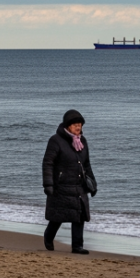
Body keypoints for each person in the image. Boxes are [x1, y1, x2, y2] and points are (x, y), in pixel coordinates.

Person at [42, 109, 96, 254]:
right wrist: (48, 184)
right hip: (61, 186)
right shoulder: (55, 140)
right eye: (75, 124)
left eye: (80, 124)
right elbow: (48, 163)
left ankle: (77, 246)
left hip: (79, 186)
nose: (78, 127)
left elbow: (86, 164)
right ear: (67, 126)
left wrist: (93, 184)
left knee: (80, 216)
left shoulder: (82, 141)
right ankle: (48, 236)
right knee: (58, 216)